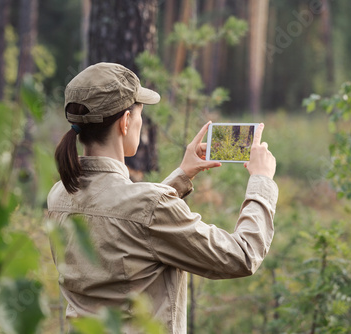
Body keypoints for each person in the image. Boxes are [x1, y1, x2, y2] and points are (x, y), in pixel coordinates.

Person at [47, 62, 278, 334]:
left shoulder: (59, 196)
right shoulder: (147, 206)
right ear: (125, 122)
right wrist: (261, 180)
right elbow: (241, 256)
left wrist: (183, 174)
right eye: (140, 114)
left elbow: (125, 220)